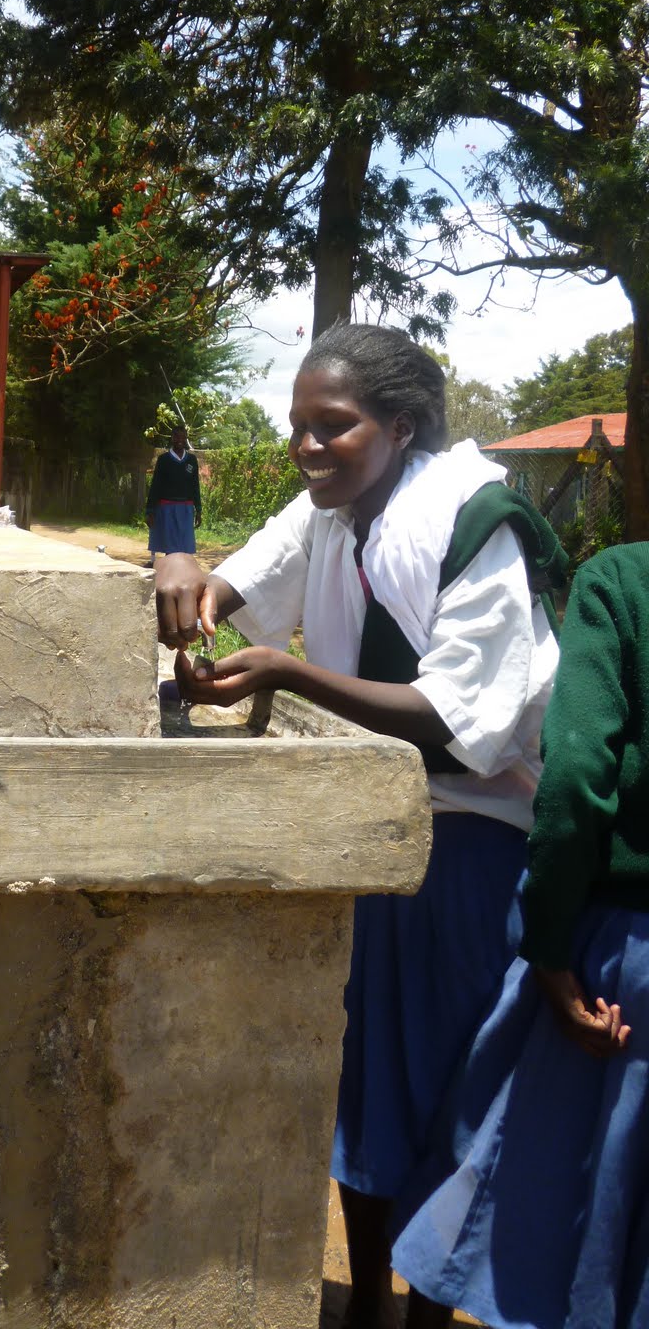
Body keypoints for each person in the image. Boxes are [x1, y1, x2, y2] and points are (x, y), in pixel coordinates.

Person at [155, 322, 564, 1329]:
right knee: (365, 1086)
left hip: (468, 847)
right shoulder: (330, 509)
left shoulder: (476, 525)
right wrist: (187, 585)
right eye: (297, 426)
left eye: (331, 427)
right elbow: (239, 582)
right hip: (364, 833)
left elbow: (463, 721)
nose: (307, 447)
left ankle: (429, 1310)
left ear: (399, 425)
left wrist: (291, 669)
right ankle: (367, 1299)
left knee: (449, 1098)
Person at [390, 541, 649, 1329]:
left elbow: (572, 783)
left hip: (619, 958)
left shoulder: (625, 580)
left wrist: (548, 952)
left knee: (513, 1158)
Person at [145, 422, 202, 562]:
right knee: (169, 547)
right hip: (167, 508)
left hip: (186, 508)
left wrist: (198, 510)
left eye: (183, 437)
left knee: (185, 547)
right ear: (172, 438)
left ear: (186, 438)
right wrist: (150, 510)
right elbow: (156, 486)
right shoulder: (164, 460)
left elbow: (195, 486)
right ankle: (169, 574)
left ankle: (183, 575)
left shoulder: (192, 460)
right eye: (177, 437)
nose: (180, 440)